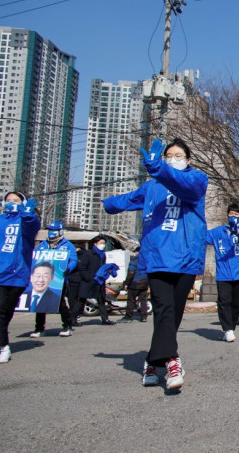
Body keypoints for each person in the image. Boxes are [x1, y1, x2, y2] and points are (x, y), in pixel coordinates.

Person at [103, 138, 207, 390]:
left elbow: (183, 185)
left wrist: (159, 167)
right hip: (158, 257)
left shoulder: (197, 180)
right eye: (168, 155)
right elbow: (126, 201)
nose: (173, 158)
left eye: (178, 155)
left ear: (189, 159)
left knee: (173, 313)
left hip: (186, 258)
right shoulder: (151, 187)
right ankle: (172, 362)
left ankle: (152, 361)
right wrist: (106, 203)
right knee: (163, 309)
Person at [0, 191, 41, 363]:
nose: (11, 203)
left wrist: (27, 213)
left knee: (7, 311)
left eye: (16, 200)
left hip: (17, 275)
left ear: (23, 203)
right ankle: (4, 347)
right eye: (8, 200)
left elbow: (32, 225)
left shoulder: (25, 221)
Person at [205, 202, 239, 342]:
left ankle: (231, 327)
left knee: (236, 303)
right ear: (227, 215)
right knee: (223, 301)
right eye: (231, 214)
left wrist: (236, 229)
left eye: (236, 214)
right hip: (224, 273)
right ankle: (227, 329)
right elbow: (202, 236)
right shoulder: (218, 232)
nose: (233, 216)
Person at [29, 221, 78, 337]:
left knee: (60, 303)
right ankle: (39, 328)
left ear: (60, 231)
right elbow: (35, 258)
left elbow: (74, 260)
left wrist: (68, 268)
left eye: (54, 231)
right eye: (50, 230)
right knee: (40, 303)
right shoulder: (43, 244)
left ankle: (67, 326)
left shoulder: (67, 245)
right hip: (43, 279)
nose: (51, 233)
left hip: (59, 279)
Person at [75, 235, 115, 326]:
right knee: (82, 300)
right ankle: (73, 319)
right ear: (95, 244)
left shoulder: (103, 255)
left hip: (99, 281)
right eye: (101, 243)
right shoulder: (89, 254)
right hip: (89, 281)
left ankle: (105, 319)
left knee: (101, 300)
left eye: (104, 243)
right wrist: (88, 277)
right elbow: (82, 267)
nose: (103, 245)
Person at [118, 247, 149, 323]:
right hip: (145, 282)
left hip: (135, 283)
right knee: (143, 300)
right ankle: (144, 317)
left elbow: (131, 273)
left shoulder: (135, 259)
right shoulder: (147, 260)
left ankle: (128, 317)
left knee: (131, 300)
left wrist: (126, 283)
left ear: (137, 252)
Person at [66, 244, 84, 327]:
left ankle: (73, 317)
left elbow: (75, 266)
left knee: (73, 299)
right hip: (78, 279)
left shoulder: (78, 257)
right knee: (77, 299)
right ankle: (75, 316)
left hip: (74, 279)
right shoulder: (84, 255)